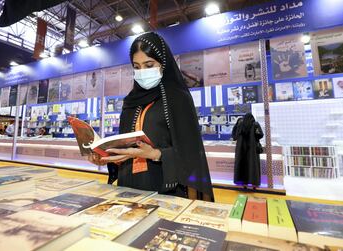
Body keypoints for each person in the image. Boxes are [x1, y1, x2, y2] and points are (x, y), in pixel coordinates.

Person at [88, 32, 214, 201]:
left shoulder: (178, 99)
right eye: (137, 67)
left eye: (149, 65)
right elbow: (126, 149)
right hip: (128, 188)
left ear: (163, 63)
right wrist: (107, 157)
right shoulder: (131, 102)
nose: (142, 72)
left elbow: (192, 155)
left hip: (165, 190)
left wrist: (156, 154)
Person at [232, 113, 264, 189]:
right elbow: (260, 135)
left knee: (242, 166)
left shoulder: (240, 124)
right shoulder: (255, 124)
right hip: (252, 150)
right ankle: (254, 185)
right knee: (253, 166)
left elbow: (234, 136)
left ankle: (244, 184)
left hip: (241, 150)